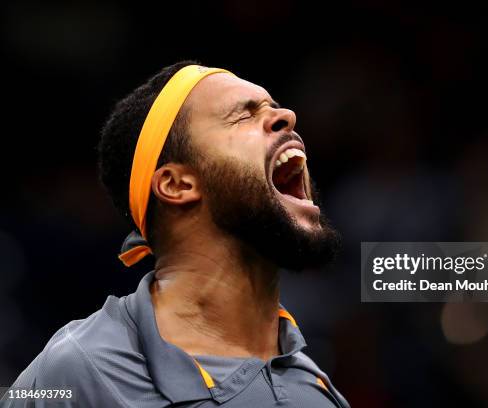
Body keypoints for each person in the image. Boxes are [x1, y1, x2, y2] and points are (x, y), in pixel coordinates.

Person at [3, 61, 349, 407]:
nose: (287, 115)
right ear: (177, 184)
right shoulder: (78, 371)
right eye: (244, 116)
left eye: (274, 107)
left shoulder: (315, 390)